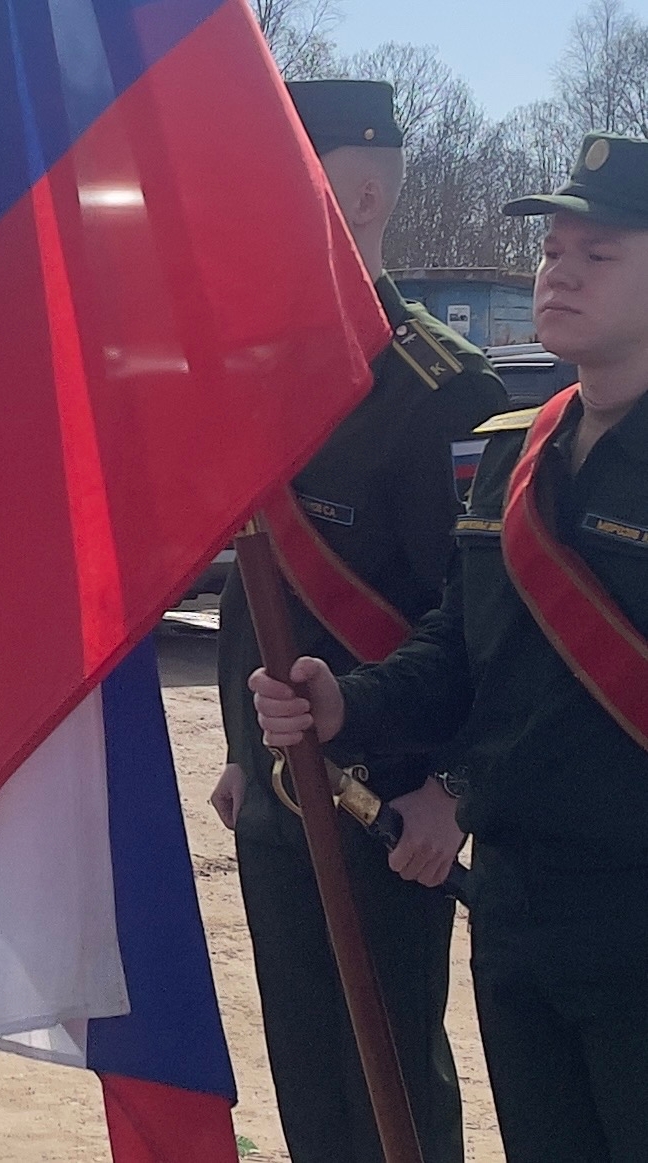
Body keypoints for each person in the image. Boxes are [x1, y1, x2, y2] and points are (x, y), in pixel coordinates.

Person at [253, 133, 648, 1162]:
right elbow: (466, 650)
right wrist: (349, 703)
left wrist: (456, 785)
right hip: (519, 907)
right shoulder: (522, 448)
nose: (556, 271)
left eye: (595, 254)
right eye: (549, 250)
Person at [209, 80, 506, 1163]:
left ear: (366, 188)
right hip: (278, 786)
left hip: (392, 801)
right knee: (304, 1059)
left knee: (389, 1072)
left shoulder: (442, 391)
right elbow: (254, 585)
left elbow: (488, 624)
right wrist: (243, 749)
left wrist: (456, 788)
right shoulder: (266, 372)